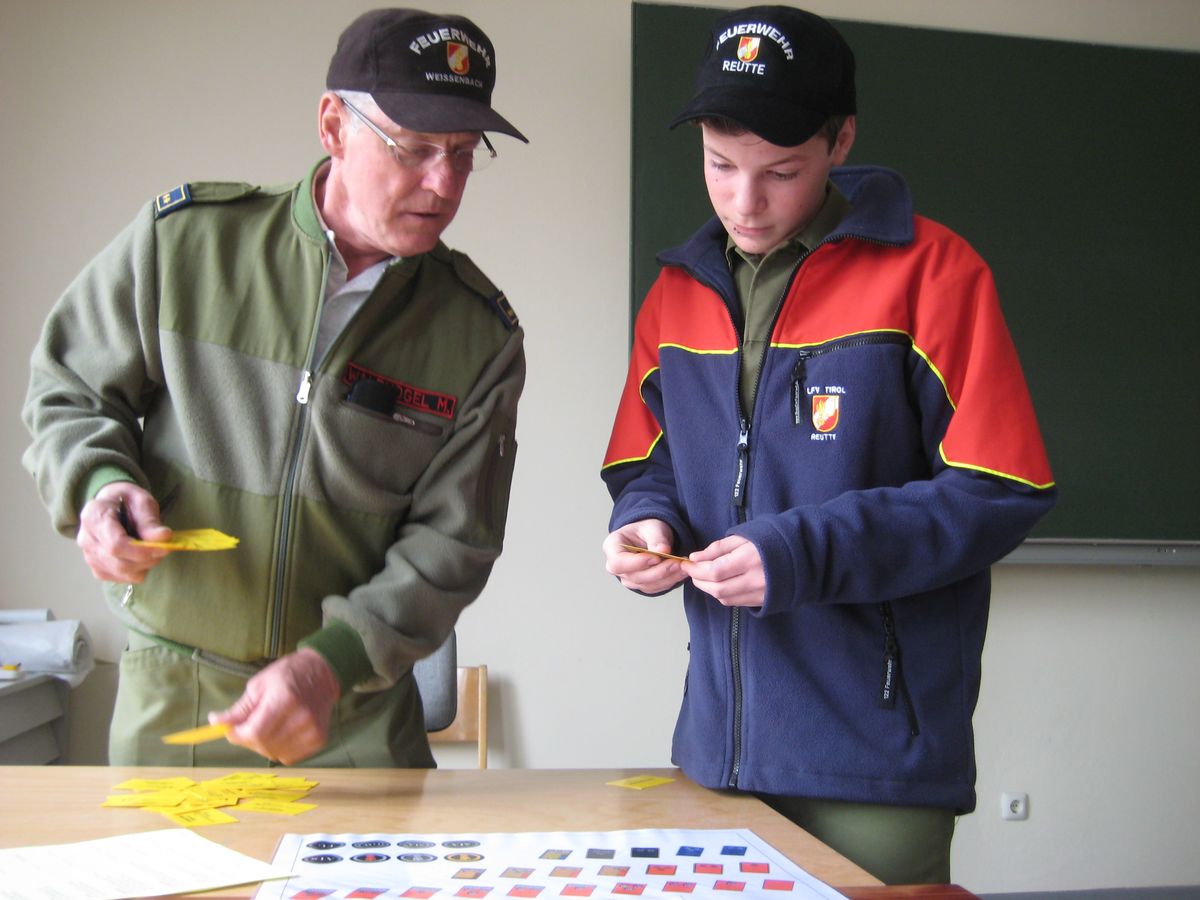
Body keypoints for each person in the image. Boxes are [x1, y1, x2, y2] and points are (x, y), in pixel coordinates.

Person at [600, 5, 1055, 885]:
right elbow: (645, 462)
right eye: (719, 166)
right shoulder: (675, 294)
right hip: (718, 750)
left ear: (840, 140)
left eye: (781, 171)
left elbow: (1001, 488)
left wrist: (798, 554)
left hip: (875, 761)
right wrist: (645, 524)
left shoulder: (936, 273)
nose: (744, 202)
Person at [22, 8, 527, 769]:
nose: (444, 182)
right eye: (416, 148)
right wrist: (97, 486)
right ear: (333, 125)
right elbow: (70, 390)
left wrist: (330, 664)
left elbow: (453, 543)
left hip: (353, 720)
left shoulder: (478, 335)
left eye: (463, 153)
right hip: (176, 705)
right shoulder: (184, 244)